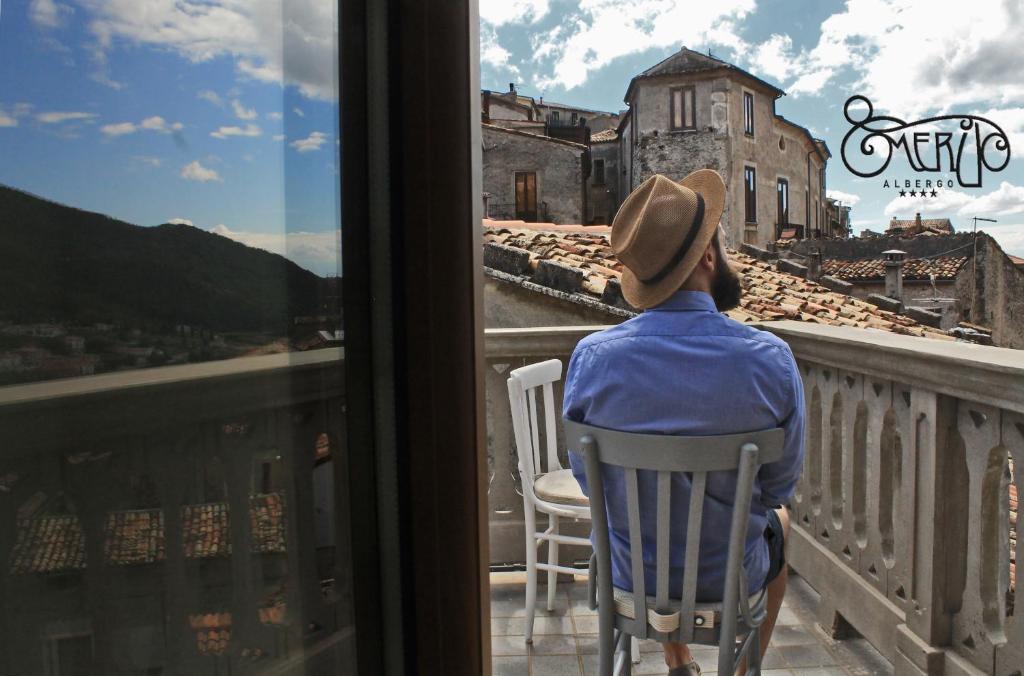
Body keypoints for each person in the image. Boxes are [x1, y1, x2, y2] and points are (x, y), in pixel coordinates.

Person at [563, 170, 805, 675]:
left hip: (630, 577)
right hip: (729, 581)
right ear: (709, 257)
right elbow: (778, 486)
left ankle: (676, 658)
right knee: (780, 525)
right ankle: (740, 672)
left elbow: (591, 483)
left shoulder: (593, 358)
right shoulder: (772, 360)